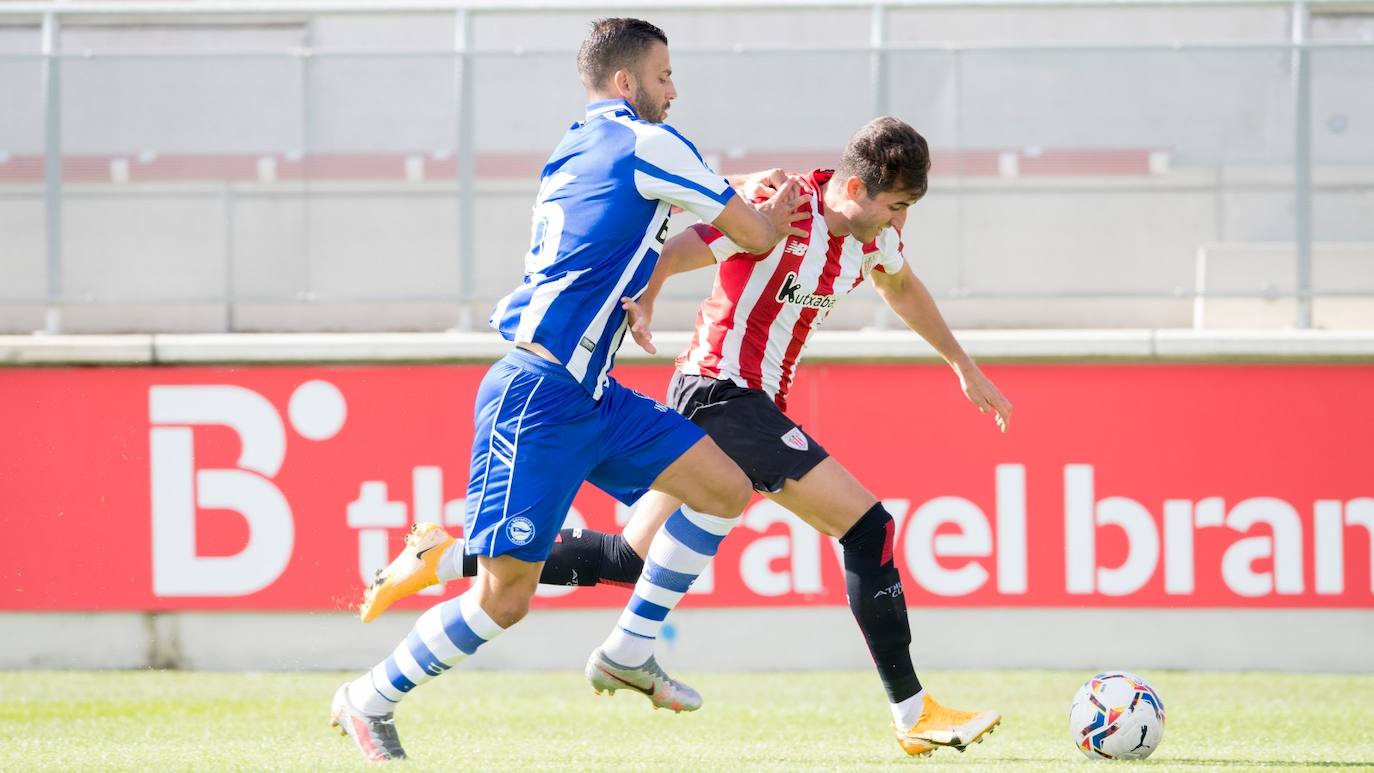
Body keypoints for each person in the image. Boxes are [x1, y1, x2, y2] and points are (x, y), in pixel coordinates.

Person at [363, 117, 1014, 758]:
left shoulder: (873, 242)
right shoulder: (786, 210)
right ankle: (912, 710)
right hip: (720, 393)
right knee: (868, 526)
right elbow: (682, 246)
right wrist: (646, 298)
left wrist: (962, 364)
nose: (901, 223)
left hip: (743, 404)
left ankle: (449, 557)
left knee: (628, 557)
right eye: (896, 206)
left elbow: (901, 286)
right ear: (856, 188)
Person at [330, 17, 807, 762]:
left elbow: (635, 236)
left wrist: (684, 253)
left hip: (593, 392)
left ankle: (631, 648)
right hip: (539, 394)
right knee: (506, 598)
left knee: (722, 487)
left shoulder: (574, 145)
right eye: (663, 76)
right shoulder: (647, 141)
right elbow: (749, 234)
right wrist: (769, 213)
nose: (673, 90)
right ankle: (369, 696)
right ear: (626, 83)